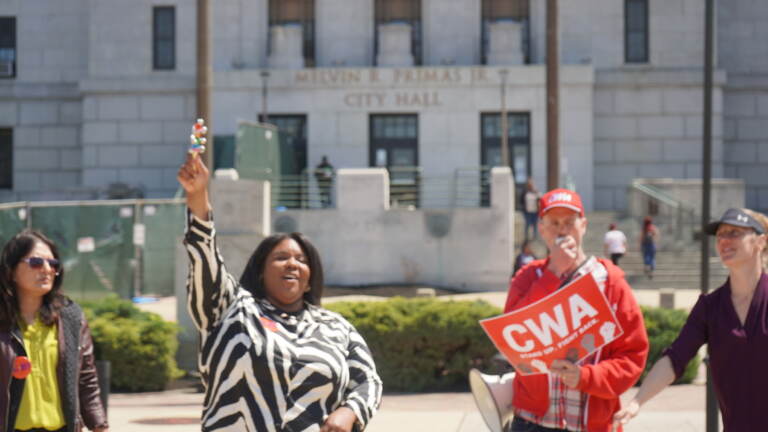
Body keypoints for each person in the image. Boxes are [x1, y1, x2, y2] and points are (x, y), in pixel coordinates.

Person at [177, 154, 382, 432]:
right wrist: (198, 197)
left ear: (311, 279)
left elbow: (369, 380)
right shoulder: (232, 309)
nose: (292, 264)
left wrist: (349, 411)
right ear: (261, 271)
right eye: (281, 257)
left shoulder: (337, 328)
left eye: (301, 260)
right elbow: (205, 260)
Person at [503, 188, 649, 432]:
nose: (561, 230)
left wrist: (586, 377)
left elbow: (633, 355)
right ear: (541, 228)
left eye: (569, 222)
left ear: (583, 225)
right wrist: (552, 274)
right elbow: (512, 340)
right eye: (554, 222)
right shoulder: (527, 278)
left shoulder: (610, 282)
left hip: (591, 422)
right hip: (532, 422)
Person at [613, 208, 768, 432]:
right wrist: (638, 401)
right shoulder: (709, 306)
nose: (724, 239)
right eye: (721, 234)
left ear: (760, 241)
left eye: (734, 232)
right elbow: (675, 358)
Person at [0, 230, 109, 432]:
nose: (47, 269)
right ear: (11, 270)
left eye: (53, 264)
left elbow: (86, 379)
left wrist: (99, 426)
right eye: (36, 262)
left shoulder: (70, 317)